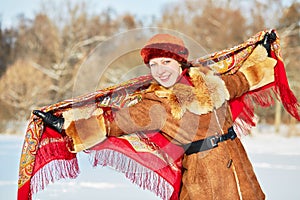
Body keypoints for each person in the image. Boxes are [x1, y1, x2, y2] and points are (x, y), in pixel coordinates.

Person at [33, 33, 278, 199]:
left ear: (180, 63)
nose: (160, 71)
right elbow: (114, 122)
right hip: (204, 180)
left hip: (241, 169)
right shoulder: (156, 103)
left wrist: (263, 53)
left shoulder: (210, 81)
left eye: (165, 62)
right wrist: (67, 125)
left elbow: (243, 80)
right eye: (154, 65)